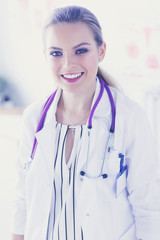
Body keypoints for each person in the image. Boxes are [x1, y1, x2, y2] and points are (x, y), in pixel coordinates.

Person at [11, 5, 160, 240]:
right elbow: (22, 200)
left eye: (80, 50)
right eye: (56, 53)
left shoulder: (129, 117)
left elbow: (148, 206)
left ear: (101, 51)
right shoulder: (34, 118)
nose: (68, 64)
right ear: (45, 56)